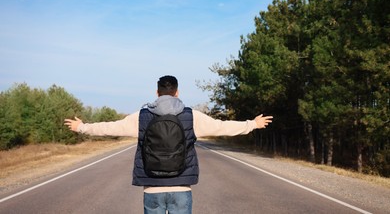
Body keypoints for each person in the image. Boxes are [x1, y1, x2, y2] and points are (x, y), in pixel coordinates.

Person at [64, 75, 273, 214]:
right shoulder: (191, 116)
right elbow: (222, 127)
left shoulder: (142, 116)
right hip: (182, 186)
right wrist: (252, 124)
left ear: (156, 93)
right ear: (177, 92)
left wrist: (82, 127)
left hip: (151, 187)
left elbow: (111, 127)